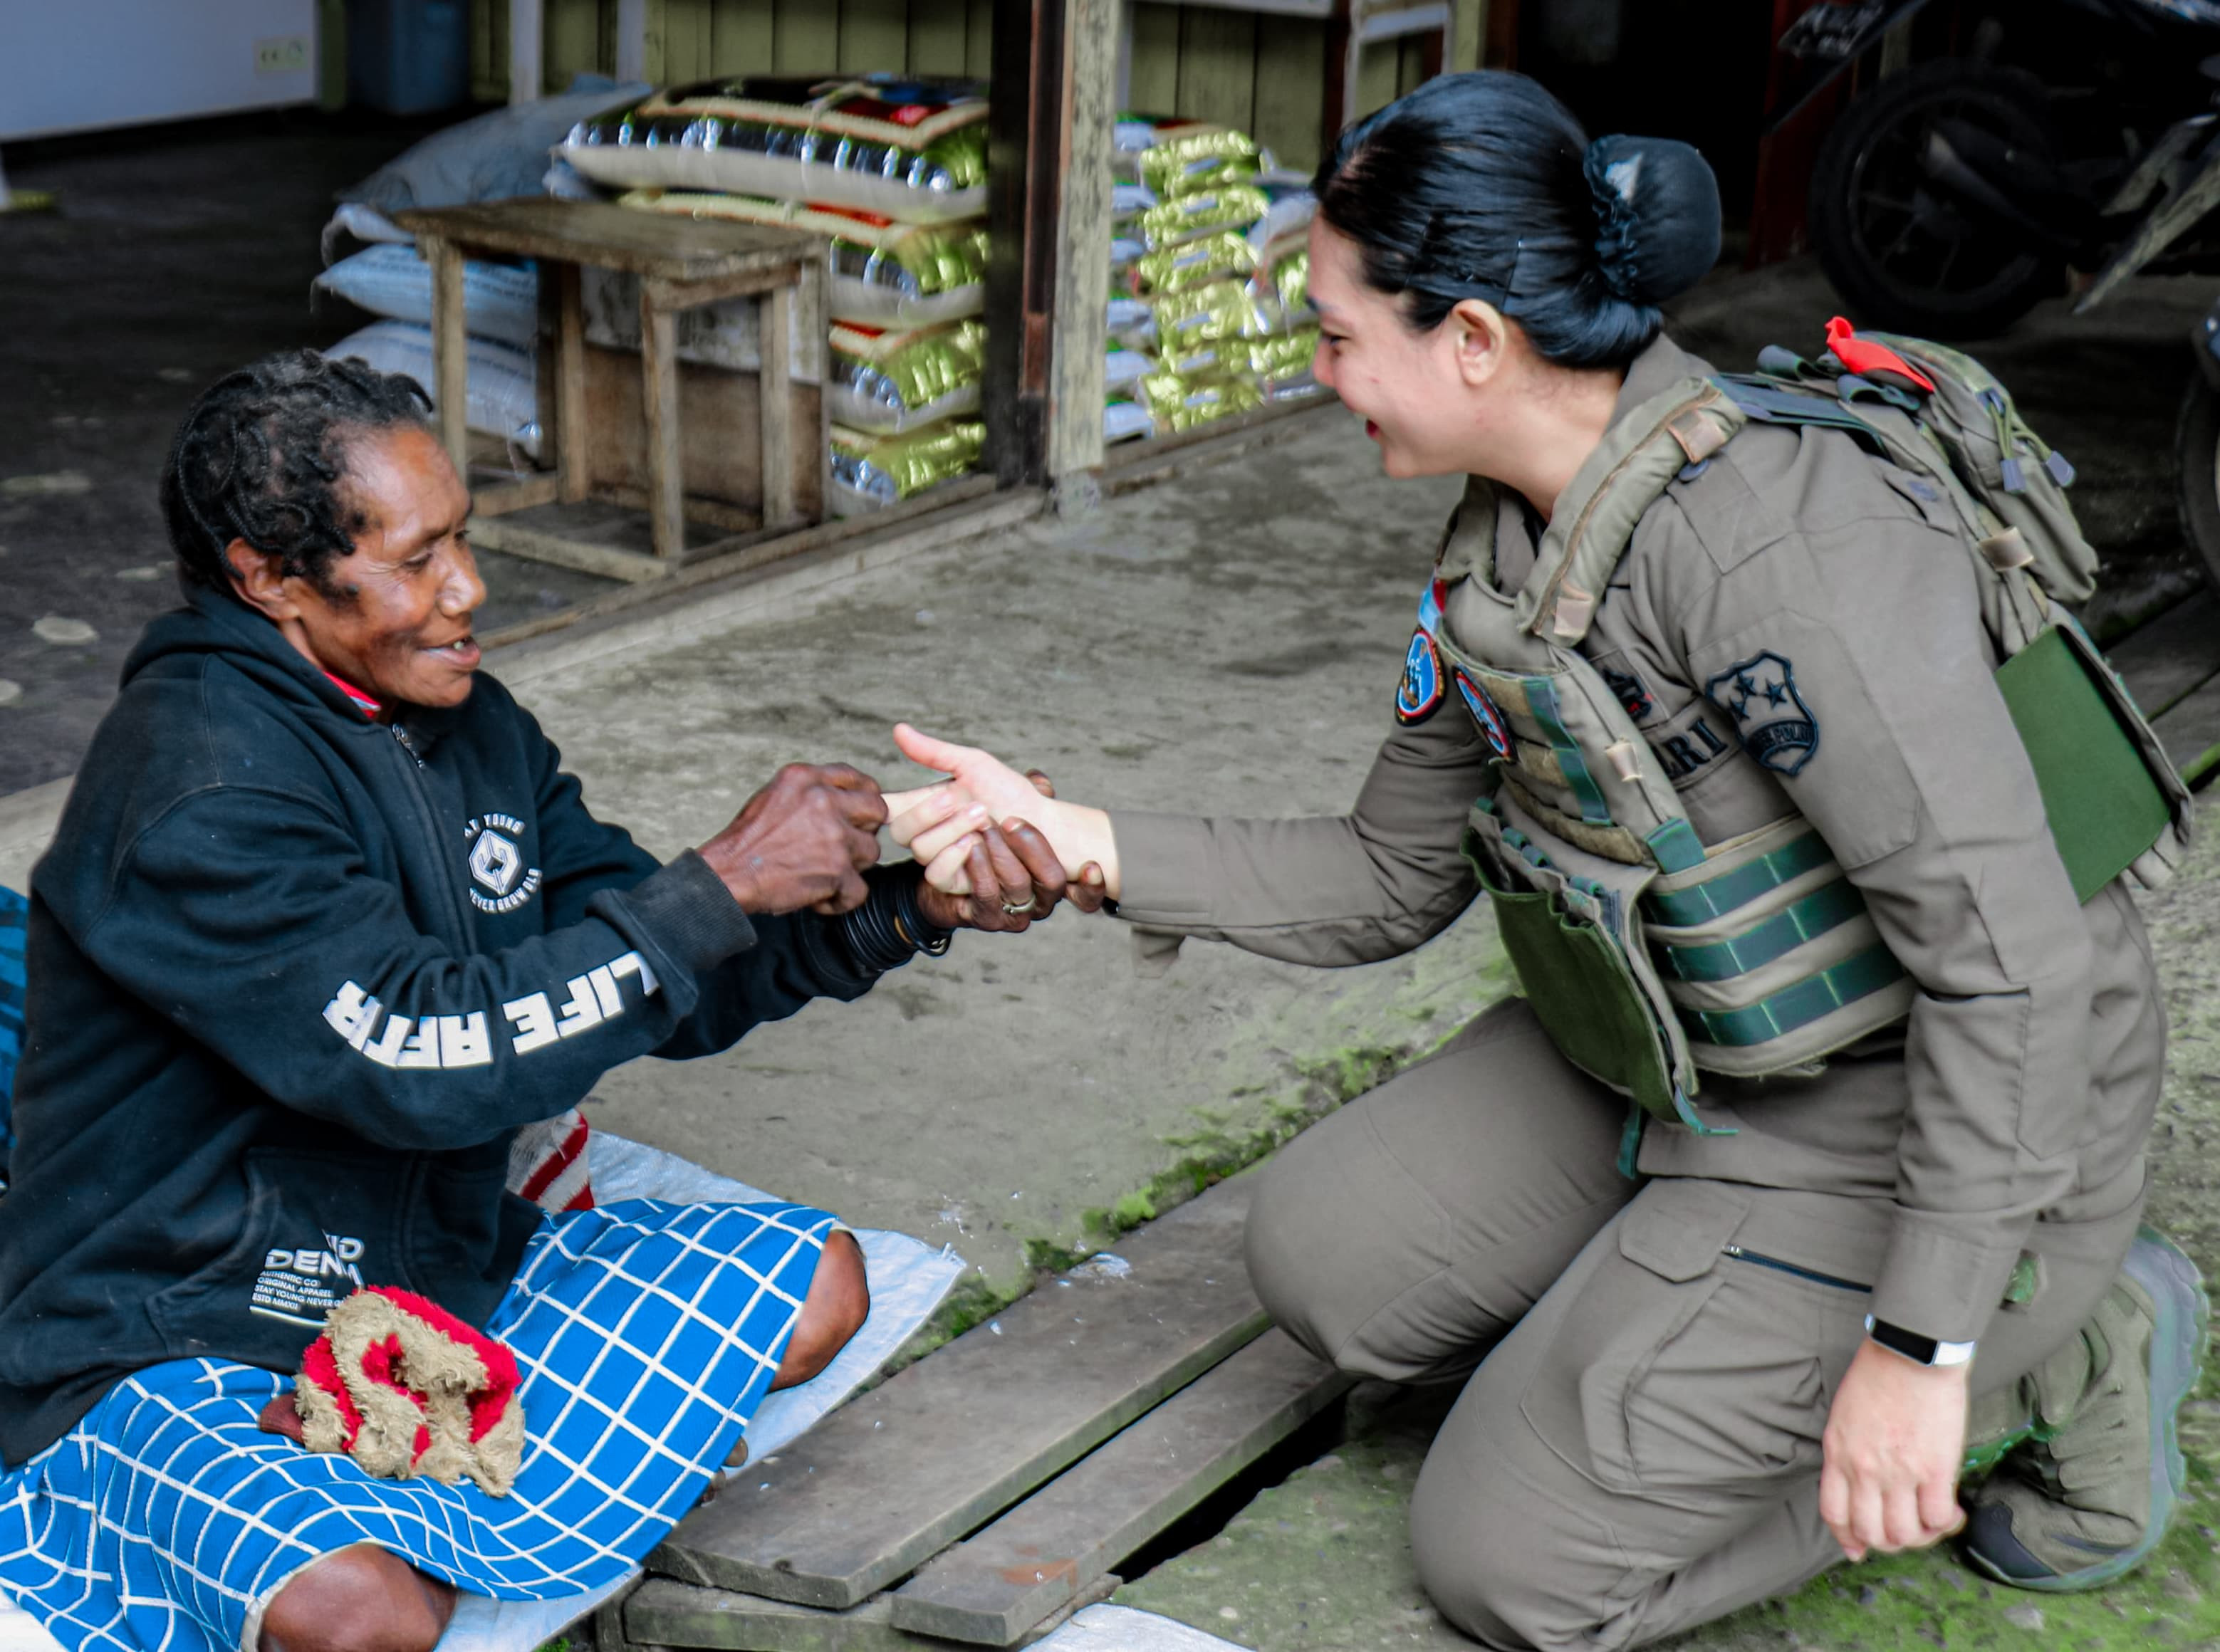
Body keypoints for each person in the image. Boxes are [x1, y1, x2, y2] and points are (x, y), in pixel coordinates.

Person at [879, 70, 2209, 1652]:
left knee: (1511, 1557)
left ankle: (2049, 1340)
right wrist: (1081, 841)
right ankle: (1697, 1317)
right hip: (1678, 1056)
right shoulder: (1514, 538)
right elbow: (1388, 871)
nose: (1320, 376)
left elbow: (2008, 964)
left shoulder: (1778, 548)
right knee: (1330, 1265)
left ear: (1470, 339)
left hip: (1914, 1105)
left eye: (1332, 336)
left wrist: (1911, 1354)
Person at [0, 350, 1089, 1652]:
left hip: (420, 1270)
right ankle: (265, 1506)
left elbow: (655, 979)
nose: (466, 591)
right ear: (267, 577)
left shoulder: (470, 725)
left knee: (814, 1290)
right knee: (362, 1618)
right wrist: (721, 881)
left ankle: (359, 1496)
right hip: (179, 1312)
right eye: (414, 560)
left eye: (460, 537)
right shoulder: (195, 783)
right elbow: (420, 1053)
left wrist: (909, 906)